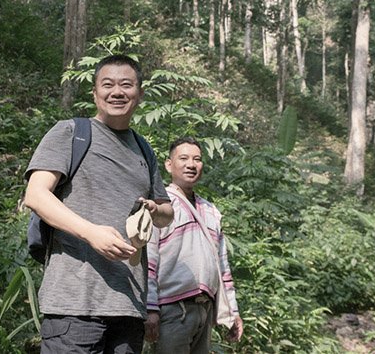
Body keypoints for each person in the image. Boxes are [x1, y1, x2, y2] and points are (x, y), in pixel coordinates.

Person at [24, 54, 174, 354]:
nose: (116, 92)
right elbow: (36, 195)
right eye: (107, 84)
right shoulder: (70, 133)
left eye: (126, 85)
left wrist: (155, 211)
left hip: (129, 306)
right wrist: (91, 232)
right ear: (95, 93)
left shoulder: (144, 149)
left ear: (140, 94)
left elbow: (166, 211)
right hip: (75, 304)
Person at [144, 137, 243, 353]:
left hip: (204, 311)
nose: (191, 164)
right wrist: (151, 308)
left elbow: (223, 268)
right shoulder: (161, 205)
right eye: (184, 158)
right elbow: (149, 260)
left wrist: (232, 312)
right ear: (169, 164)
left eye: (197, 159)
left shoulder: (211, 211)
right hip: (172, 310)